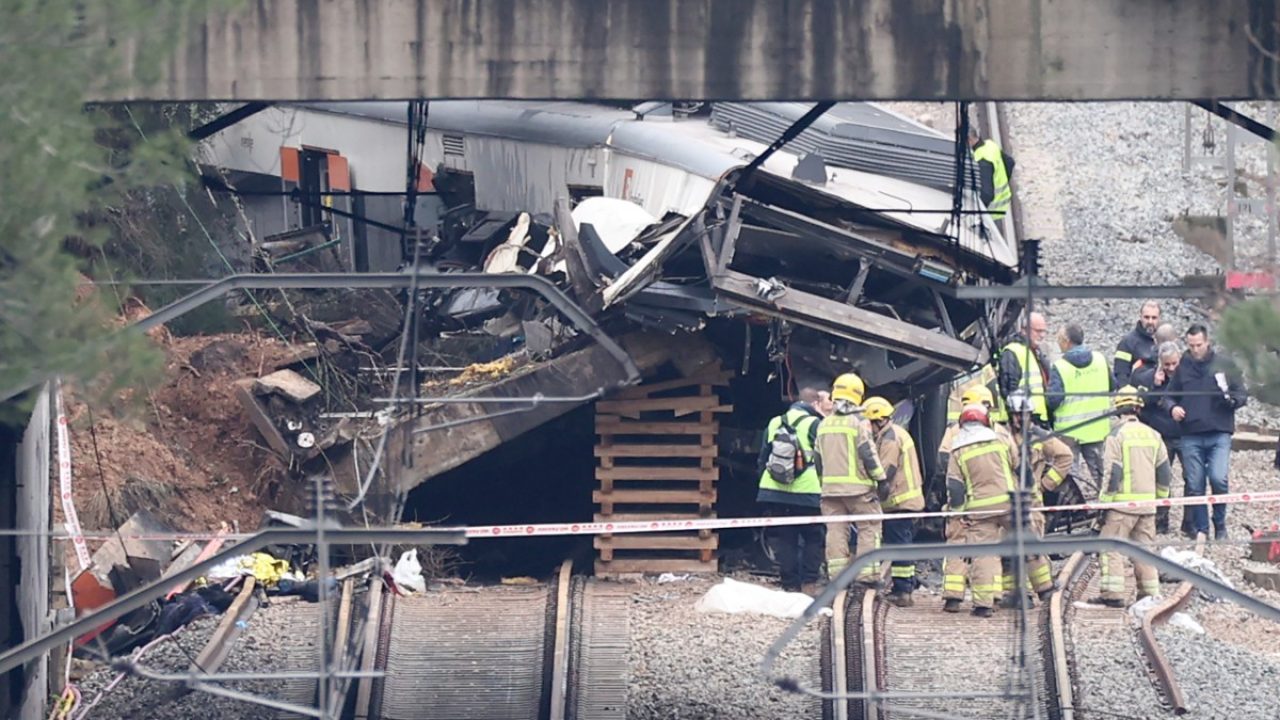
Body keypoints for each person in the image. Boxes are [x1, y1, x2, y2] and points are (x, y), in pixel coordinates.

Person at [1095, 387, 1172, 607]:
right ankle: (1149, 594)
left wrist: (1104, 502)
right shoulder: (1153, 434)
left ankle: (1113, 594)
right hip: (1147, 506)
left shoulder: (1115, 435)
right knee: (1144, 551)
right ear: (1139, 408)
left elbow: (1113, 473)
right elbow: (1165, 472)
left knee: (1110, 548)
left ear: (1118, 409)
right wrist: (1161, 500)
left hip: (1122, 506)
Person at [1169, 325, 1248, 540]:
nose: (1195, 350)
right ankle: (1202, 529)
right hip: (1190, 434)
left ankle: (1220, 524)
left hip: (1219, 432)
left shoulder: (1225, 364)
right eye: (1191, 345)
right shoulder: (1183, 366)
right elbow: (1168, 395)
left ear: (1208, 342)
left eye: (1199, 345)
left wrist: (1232, 401)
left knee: (1218, 478)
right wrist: (1172, 408)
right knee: (1195, 485)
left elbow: (1242, 393)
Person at [943, 403, 1018, 617]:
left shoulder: (957, 448)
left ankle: (984, 605)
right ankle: (1041, 590)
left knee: (982, 555)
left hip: (980, 509)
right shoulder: (1001, 439)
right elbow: (1016, 463)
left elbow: (955, 488)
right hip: (1009, 502)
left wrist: (958, 514)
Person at [815, 373, 888, 588]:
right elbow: (868, 454)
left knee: (836, 532)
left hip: (830, 492)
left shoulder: (823, 425)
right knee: (869, 528)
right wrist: (881, 479)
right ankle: (867, 576)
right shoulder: (858, 424)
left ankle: (837, 578)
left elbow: (818, 460)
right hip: (859, 490)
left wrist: (824, 483)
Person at [1001, 390, 1072, 606]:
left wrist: (1046, 483)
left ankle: (1043, 590)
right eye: (1015, 414)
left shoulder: (1039, 436)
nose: (1019, 419)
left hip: (1031, 503)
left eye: (1023, 414)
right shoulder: (1001, 436)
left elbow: (1065, 456)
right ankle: (1017, 595)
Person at [756, 387, 826, 594]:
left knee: (786, 537)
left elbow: (763, 457)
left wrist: (765, 484)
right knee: (814, 537)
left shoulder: (775, 421)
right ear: (814, 404)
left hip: (775, 490)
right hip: (807, 491)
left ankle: (789, 584)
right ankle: (809, 583)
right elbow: (823, 458)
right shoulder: (814, 424)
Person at [863, 396, 925, 607]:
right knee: (899, 543)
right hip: (902, 501)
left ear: (878, 420)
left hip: (900, 502)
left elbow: (885, 471)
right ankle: (906, 584)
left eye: (869, 423)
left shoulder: (890, 438)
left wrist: (867, 490)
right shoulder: (893, 433)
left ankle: (903, 591)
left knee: (899, 546)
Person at [1047, 323, 1115, 502]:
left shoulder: (1060, 367)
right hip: (1096, 430)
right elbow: (1112, 386)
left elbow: (1053, 400)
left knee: (1071, 478)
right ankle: (1109, 509)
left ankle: (1074, 512)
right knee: (1102, 475)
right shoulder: (1100, 360)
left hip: (1068, 432)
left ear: (1066, 342)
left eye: (1060, 340)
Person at [1132, 341, 1183, 535]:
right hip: (1160, 434)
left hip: (1184, 432)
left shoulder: (1187, 375)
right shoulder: (1147, 376)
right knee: (1161, 480)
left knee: (1193, 481)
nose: (1171, 368)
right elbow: (1142, 403)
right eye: (1167, 364)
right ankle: (1161, 520)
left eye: (1174, 364)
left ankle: (1191, 524)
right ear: (1161, 363)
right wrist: (1155, 385)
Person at [968, 128, 1016, 221]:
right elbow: (1010, 162)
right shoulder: (990, 145)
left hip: (991, 212)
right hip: (1001, 204)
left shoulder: (982, 161)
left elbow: (987, 195)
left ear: (969, 140)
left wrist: (976, 214)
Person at [1114, 301, 1162, 385]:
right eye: (1146, 317)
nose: (1150, 321)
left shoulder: (1163, 340)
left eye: (1154, 318)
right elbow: (1121, 375)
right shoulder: (1127, 343)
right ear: (1140, 317)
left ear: (1159, 318)